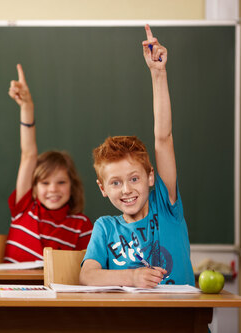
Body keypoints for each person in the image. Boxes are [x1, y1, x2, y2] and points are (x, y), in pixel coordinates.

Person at [79, 25, 195, 288]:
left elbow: (163, 138)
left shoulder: (165, 206)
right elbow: (87, 275)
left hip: (181, 324)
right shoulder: (105, 227)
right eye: (116, 183)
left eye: (134, 178)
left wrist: (158, 74)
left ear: (151, 176)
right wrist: (131, 277)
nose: (127, 189)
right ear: (102, 188)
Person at [3, 64, 93, 263]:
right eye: (44, 183)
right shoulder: (24, 207)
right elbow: (28, 154)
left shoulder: (82, 225)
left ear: (72, 186)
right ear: (33, 189)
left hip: (56, 293)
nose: (53, 189)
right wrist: (27, 107)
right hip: (12, 292)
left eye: (61, 182)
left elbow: (87, 270)